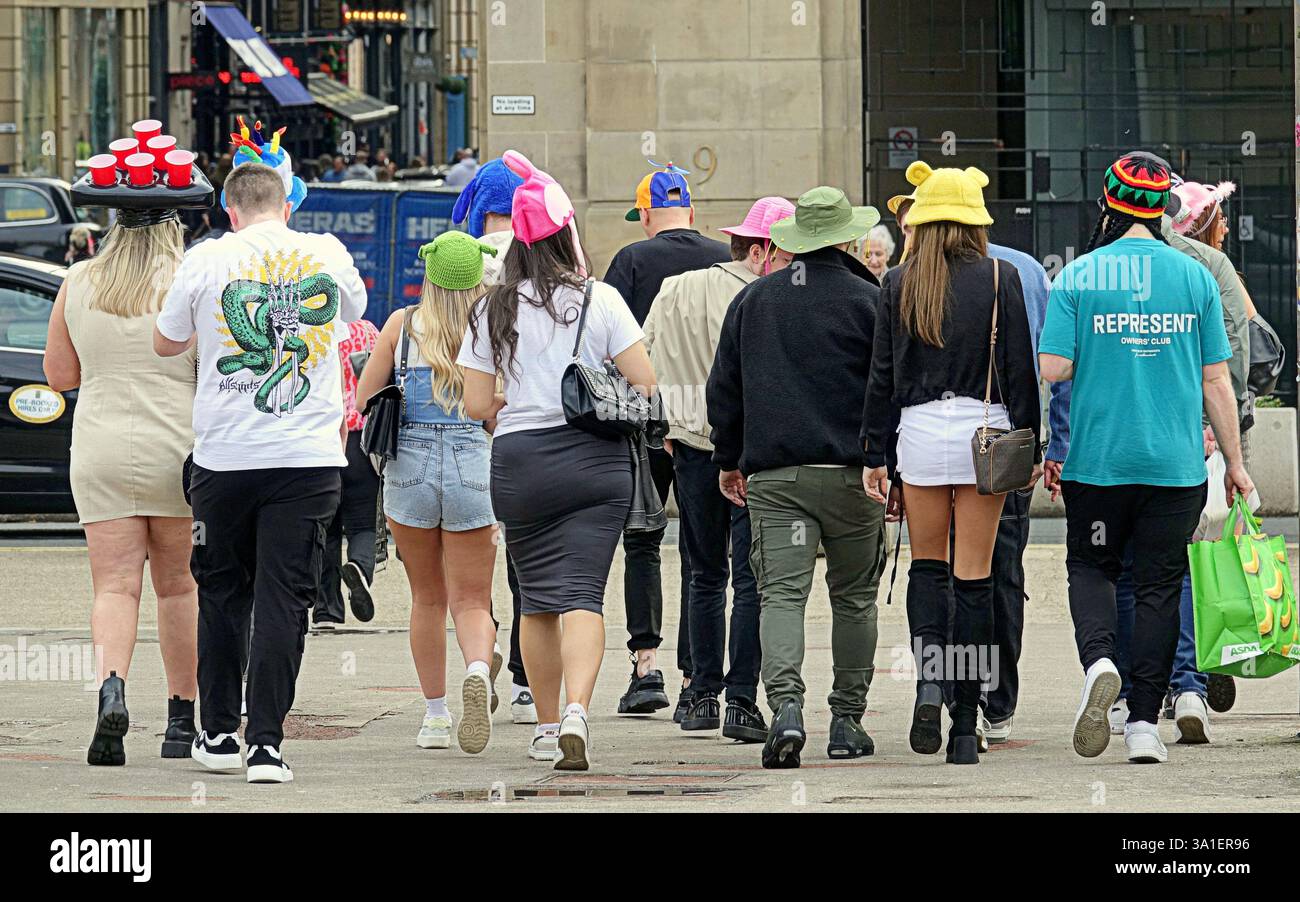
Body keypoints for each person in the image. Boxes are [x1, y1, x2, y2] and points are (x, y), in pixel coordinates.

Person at [154, 161, 367, 784]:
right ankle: (267, 746)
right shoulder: (325, 252)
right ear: (287, 207)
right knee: (286, 597)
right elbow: (354, 308)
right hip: (308, 459)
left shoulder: (205, 259)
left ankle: (217, 733)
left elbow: (167, 341)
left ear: (230, 210)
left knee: (222, 590)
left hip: (226, 457)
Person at [1038, 151, 1253, 765]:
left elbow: (1054, 369)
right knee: (1161, 587)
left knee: (1094, 569)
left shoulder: (1079, 276)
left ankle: (1100, 661)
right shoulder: (1195, 278)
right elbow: (1217, 381)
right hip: (1175, 466)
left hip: (1097, 464)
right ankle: (1142, 726)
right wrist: (1235, 463)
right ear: (1162, 209)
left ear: (1108, 202)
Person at [458, 150, 655, 770]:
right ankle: (577, 711)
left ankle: (544, 727)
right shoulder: (600, 300)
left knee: (535, 601)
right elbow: (646, 384)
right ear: (568, 232)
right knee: (584, 597)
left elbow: (472, 403)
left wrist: (510, 404)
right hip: (595, 465)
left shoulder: (491, 307)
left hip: (520, 463)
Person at [863, 163, 1042, 766]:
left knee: (927, 571)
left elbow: (881, 379)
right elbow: (1021, 372)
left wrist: (874, 454)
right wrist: (1033, 445)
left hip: (918, 435)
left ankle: (928, 685)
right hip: (984, 433)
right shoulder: (1001, 276)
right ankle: (966, 722)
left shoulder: (896, 283)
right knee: (975, 578)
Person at [709, 186, 885, 769]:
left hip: (776, 479)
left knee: (781, 594)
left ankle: (785, 708)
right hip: (852, 477)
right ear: (844, 237)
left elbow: (724, 391)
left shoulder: (755, 300)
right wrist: (884, 459)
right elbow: (887, 392)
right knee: (854, 598)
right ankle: (846, 720)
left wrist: (729, 459)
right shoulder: (869, 300)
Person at [44, 207, 198, 767]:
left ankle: (112, 689)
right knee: (179, 587)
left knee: (114, 588)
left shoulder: (80, 280)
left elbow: (59, 376)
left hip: (101, 448)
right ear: (171, 227)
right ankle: (182, 721)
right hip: (178, 448)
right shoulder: (190, 277)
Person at [643, 196, 794, 743]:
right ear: (760, 251)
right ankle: (741, 699)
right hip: (750, 450)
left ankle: (701, 693)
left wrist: (667, 425)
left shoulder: (675, 289)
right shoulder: (764, 297)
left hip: (687, 445)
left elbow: (649, 365)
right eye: (786, 252)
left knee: (703, 573)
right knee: (752, 577)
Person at [357, 232, 500, 754]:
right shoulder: (491, 328)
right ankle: (480, 671)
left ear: (430, 277)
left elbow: (364, 395)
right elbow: (503, 402)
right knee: (472, 599)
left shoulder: (402, 325)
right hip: (473, 468)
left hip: (409, 471)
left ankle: (435, 716)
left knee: (427, 597)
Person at [603, 163, 730, 719]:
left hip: (648, 419)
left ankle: (645, 665)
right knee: (705, 558)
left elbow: (607, 340)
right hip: (709, 424)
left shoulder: (631, 260)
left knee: (643, 539)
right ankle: (694, 675)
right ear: (693, 213)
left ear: (648, 214)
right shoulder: (724, 260)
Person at [451, 156, 536, 723]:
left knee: (469, 573)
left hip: (470, 426)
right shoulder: (541, 260)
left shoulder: (465, 259)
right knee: (532, 557)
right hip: (534, 424)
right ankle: (532, 681)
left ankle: (481, 658)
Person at [313, 317, 382, 628]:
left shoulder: (316, 330)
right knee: (363, 524)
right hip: (361, 443)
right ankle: (360, 570)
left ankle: (327, 610)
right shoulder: (367, 330)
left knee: (325, 531)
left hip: (325, 439)